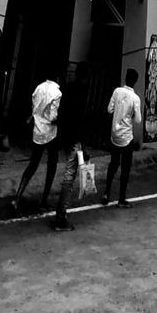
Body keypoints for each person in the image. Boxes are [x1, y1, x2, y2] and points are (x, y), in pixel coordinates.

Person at [11, 71, 62, 212]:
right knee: (52, 166)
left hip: (37, 131)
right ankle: (44, 200)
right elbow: (53, 117)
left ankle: (17, 197)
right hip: (50, 133)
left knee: (32, 164)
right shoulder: (57, 93)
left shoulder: (39, 87)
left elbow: (34, 107)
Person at [52, 62, 90, 233]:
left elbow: (62, 113)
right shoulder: (82, 91)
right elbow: (80, 118)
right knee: (69, 176)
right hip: (75, 138)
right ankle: (61, 216)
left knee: (70, 174)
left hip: (67, 137)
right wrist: (83, 144)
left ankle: (61, 212)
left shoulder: (68, 89)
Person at [101, 68, 142, 209]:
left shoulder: (117, 92)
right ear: (135, 81)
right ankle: (121, 198)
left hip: (114, 134)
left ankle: (106, 193)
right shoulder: (135, 98)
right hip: (126, 137)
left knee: (113, 164)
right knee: (125, 168)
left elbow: (109, 110)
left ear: (125, 78)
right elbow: (137, 120)